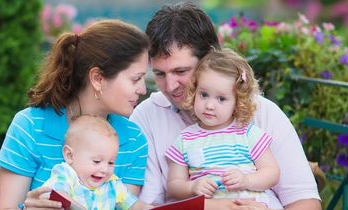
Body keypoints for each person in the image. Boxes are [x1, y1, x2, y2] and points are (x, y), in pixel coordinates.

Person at [129, 2, 321, 209]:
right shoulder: (147, 117)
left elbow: (305, 202)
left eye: (181, 71)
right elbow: (142, 205)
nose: (170, 86)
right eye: (159, 74)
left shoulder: (262, 112)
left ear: (210, 58)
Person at [0, 19, 150, 209]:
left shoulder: (134, 140)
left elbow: (127, 204)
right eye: (136, 79)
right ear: (97, 78)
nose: (143, 89)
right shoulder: (29, 126)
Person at [165, 49, 280, 205]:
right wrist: (193, 186)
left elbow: (271, 172)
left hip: (249, 206)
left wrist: (246, 180)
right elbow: (173, 185)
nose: (210, 105)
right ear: (194, 91)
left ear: (238, 102)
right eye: (204, 94)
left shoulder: (247, 133)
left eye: (221, 98)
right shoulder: (185, 139)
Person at [43, 115, 153, 210]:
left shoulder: (112, 183)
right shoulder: (65, 174)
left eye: (111, 163)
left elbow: (133, 205)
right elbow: (57, 193)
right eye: (96, 161)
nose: (105, 169)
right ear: (70, 155)